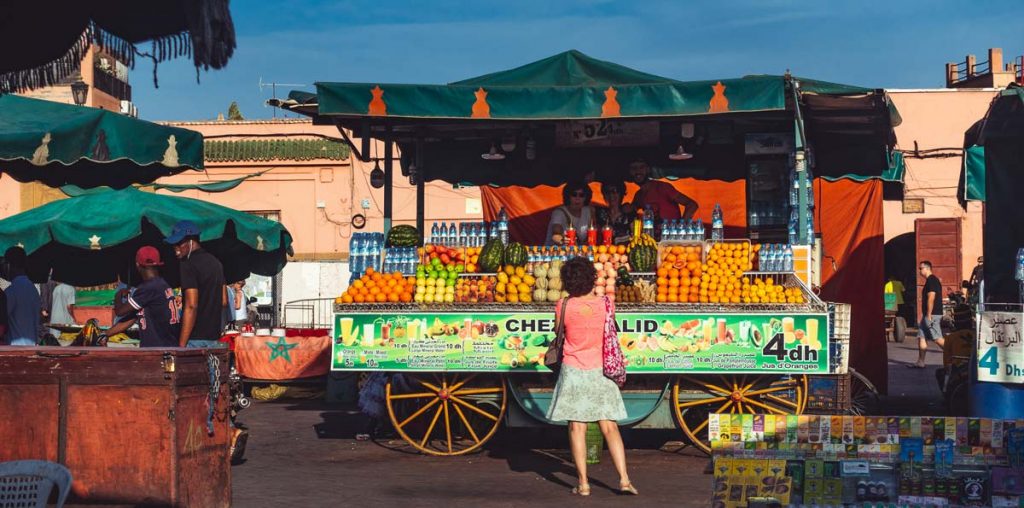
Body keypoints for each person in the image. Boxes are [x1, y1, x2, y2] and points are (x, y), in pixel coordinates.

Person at [546, 257, 636, 496]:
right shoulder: (607, 304)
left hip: (574, 369)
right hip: (602, 370)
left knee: (577, 428)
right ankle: (624, 480)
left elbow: (559, 334)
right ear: (591, 279)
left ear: (567, 281)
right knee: (610, 427)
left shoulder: (563, 305)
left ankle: (584, 483)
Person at [165, 220, 227, 348]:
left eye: (179, 244)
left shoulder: (187, 264)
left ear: (191, 241)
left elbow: (191, 306)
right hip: (214, 338)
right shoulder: (216, 263)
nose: (175, 249)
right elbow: (224, 301)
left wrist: (182, 345)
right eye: (174, 245)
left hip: (193, 338)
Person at [109, 246, 180, 347]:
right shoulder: (162, 284)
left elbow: (120, 311)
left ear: (137, 264)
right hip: (166, 346)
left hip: (157, 349)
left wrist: (118, 294)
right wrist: (105, 334)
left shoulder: (149, 288)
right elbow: (133, 317)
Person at [627, 158, 698, 221]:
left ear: (648, 170)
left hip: (670, 234)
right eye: (634, 168)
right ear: (630, 172)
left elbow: (692, 205)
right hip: (651, 235)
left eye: (641, 167)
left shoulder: (663, 187)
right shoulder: (638, 195)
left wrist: (681, 227)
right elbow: (630, 210)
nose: (638, 171)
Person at [3, 247, 40, 346]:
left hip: (15, 349)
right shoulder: (33, 289)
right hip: (32, 347)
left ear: (8, 265)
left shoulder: (11, 291)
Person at [912, 261, 945, 368]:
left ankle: (955, 355)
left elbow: (931, 297)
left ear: (927, 268)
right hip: (928, 314)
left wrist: (929, 314)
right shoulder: (929, 281)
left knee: (936, 337)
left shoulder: (932, 280)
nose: (919, 270)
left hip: (933, 314)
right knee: (922, 336)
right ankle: (920, 362)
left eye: (920, 268)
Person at [545, 181, 596, 246]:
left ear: (586, 198)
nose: (577, 198)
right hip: (557, 252)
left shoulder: (588, 211)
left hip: (579, 252)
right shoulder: (559, 213)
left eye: (581, 195)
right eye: (574, 194)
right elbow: (556, 234)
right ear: (568, 196)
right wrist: (562, 240)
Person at [594, 179, 634, 245]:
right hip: (603, 252)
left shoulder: (629, 214)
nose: (611, 195)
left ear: (621, 194)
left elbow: (636, 237)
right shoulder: (599, 213)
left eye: (615, 191)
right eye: (607, 192)